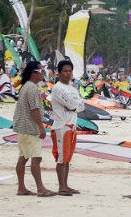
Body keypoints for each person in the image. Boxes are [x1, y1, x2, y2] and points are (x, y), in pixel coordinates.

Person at [13, 61, 55, 197]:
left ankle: (21, 188)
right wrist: (41, 128)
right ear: (34, 73)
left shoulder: (25, 86)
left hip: (22, 127)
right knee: (36, 158)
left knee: (23, 157)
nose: (43, 73)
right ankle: (40, 189)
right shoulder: (32, 88)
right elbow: (35, 110)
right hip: (30, 128)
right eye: (41, 71)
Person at [50, 60, 84, 196]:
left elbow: (81, 106)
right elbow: (72, 105)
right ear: (59, 73)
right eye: (65, 71)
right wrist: (74, 106)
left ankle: (66, 185)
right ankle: (61, 187)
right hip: (62, 126)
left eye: (70, 71)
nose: (68, 73)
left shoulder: (73, 88)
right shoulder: (58, 88)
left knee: (67, 158)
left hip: (72, 126)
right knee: (62, 157)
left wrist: (74, 106)